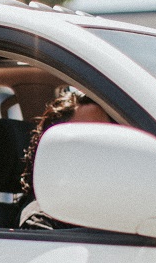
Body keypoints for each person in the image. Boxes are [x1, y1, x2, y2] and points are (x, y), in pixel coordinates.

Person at [17, 86, 115, 229]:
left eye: (107, 136)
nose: (100, 147)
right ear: (57, 152)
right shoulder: (43, 217)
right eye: (87, 140)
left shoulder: (117, 206)